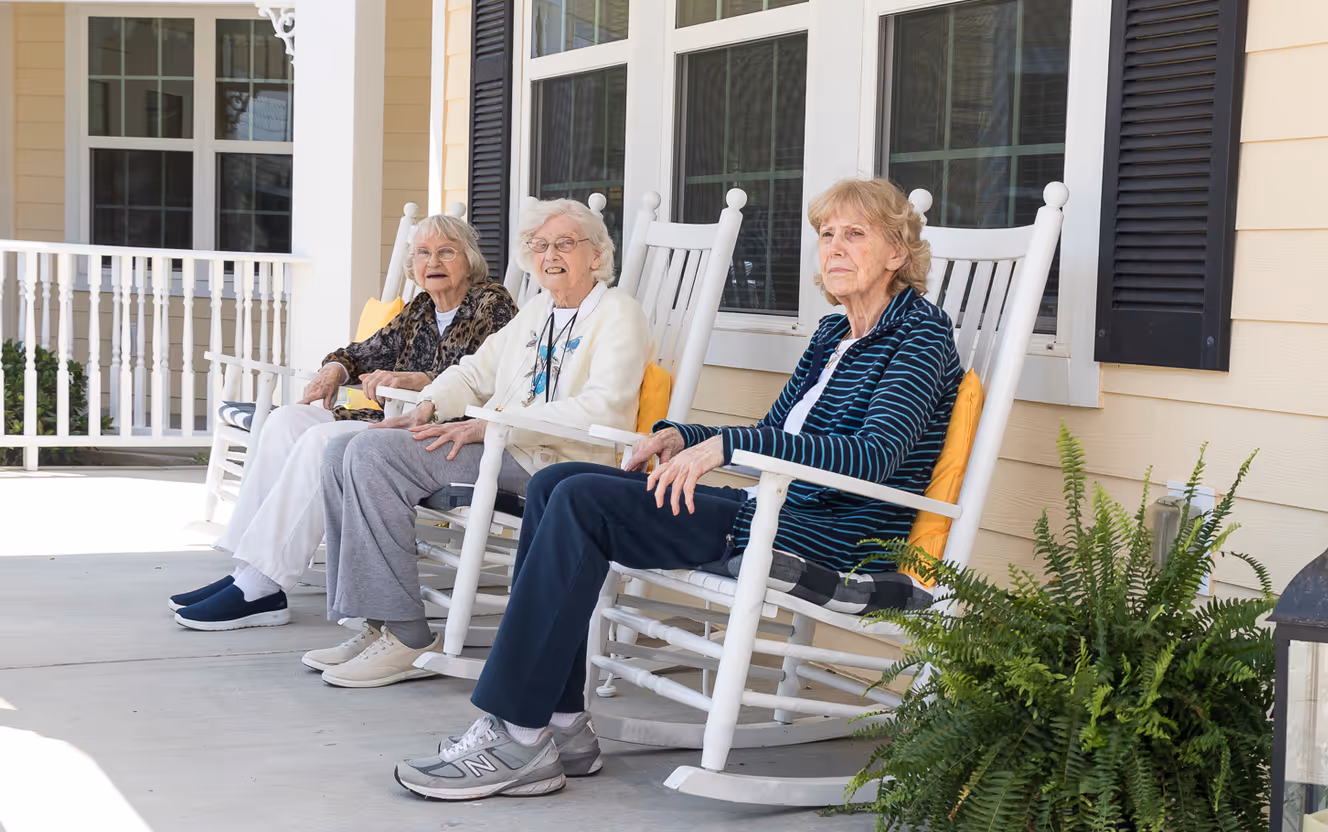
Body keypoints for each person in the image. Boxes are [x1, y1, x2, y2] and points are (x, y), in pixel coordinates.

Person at [394, 177, 962, 800]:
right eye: (827, 235)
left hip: (826, 537)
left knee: (583, 500)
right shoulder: (832, 334)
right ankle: (559, 722)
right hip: (768, 510)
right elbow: (775, 431)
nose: (834, 248)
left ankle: (518, 732)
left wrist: (731, 449)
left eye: (855, 235)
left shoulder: (920, 336)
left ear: (897, 253)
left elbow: (872, 455)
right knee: (558, 482)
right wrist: (681, 434)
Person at [310, 197, 653, 688]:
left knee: (371, 454)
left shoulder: (620, 315)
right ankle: (376, 620)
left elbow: (603, 407)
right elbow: (474, 371)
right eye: (538, 246)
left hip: (555, 463)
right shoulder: (539, 311)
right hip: (504, 448)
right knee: (340, 449)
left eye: (564, 244)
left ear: (595, 256)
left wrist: (495, 425)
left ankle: (406, 635)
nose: (549, 255)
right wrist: (426, 407)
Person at [171, 214, 516, 632]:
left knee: (321, 442)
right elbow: (363, 351)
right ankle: (248, 571)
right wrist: (336, 368)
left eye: (446, 251)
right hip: (386, 418)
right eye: (424, 252)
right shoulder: (421, 308)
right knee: (287, 420)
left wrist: (422, 381)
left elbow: (489, 379)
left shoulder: (491, 304)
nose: (433, 261)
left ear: (469, 259)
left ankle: (261, 585)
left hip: (433, 431)